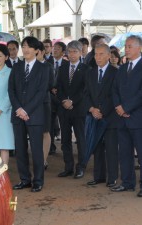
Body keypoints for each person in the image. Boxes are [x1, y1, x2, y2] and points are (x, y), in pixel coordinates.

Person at [9, 36, 50, 193]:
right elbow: (11, 90)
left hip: (35, 115)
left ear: (36, 50)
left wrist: (26, 110)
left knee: (36, 150)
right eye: (23, 46)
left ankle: (38, 181)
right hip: (18, 115)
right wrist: (19, 109)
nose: (25, 49)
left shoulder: (44, 68)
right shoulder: (17, 67)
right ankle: (24, 179)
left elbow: (41, 93)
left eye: (28, 47)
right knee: (20, 149)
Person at [111, 35, 142, 197]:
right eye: (126, 47)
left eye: (130, 46)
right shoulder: (122, 68)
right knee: (124, 152)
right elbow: (114, 89)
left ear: (139, 48)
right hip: (121, 118)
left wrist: (126, 107)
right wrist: (118, 107)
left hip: (137, 118)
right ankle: (127, 182)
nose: (127, 49)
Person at [85, 44, 119, 188]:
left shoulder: (115, 72)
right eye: (95, 54)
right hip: (94, 116)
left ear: (108, 56)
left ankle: (112, 178)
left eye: (101, 54)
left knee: (111, 148)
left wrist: (102, 111)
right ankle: (98, 176)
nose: (97, 57)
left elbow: (115, 96)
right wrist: (92, 109)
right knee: (97, 147)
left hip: (110, 117)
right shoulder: (90, 72)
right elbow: (85, 94)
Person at [56, 41, 89, 179]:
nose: (72, 54)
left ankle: (81, 167)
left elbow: (85, 90)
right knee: (65, 140)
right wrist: (64, 100)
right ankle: (68, 167)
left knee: (81, 139)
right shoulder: (62, 68)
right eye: (70, 52)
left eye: (75, 51)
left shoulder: (86, 68)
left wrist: (72, 101)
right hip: (64, 109)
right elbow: (59, 87)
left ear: (81, 53)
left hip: (79, 109)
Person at [36, 41, 54, 169]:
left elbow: (51, 84)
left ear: (42, 52)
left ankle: (43, 160)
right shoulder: (27, 66)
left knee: (45, 131)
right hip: (30, 105)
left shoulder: (48, 66)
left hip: (44, 102)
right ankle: (37, 157)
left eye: (37, 52)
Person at [49, 42, 68, 155]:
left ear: (63, 52)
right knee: (49, 124)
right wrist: (50, 88)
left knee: (64, 123)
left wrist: (59, 90)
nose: (55, 50)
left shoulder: (67, 64)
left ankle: (65, 147)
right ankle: (51, 146)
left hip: (62, 99)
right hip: (50, 98)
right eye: (54, 48)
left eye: (58, 48)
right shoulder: (47, 63)